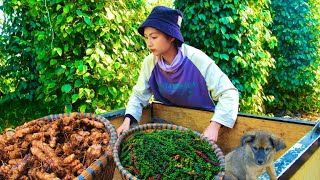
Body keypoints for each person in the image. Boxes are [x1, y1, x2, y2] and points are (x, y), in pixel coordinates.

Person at [116, 6, 239, 142]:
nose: (149, 43)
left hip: (203, 130)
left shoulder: (196, 59)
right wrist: (127, 121)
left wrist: (214, 126)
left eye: (154, 37)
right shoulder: (149, 63)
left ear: (171, 37)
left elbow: (229, 93)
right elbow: (139, 96)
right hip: (168, 128)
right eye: (146, 38)